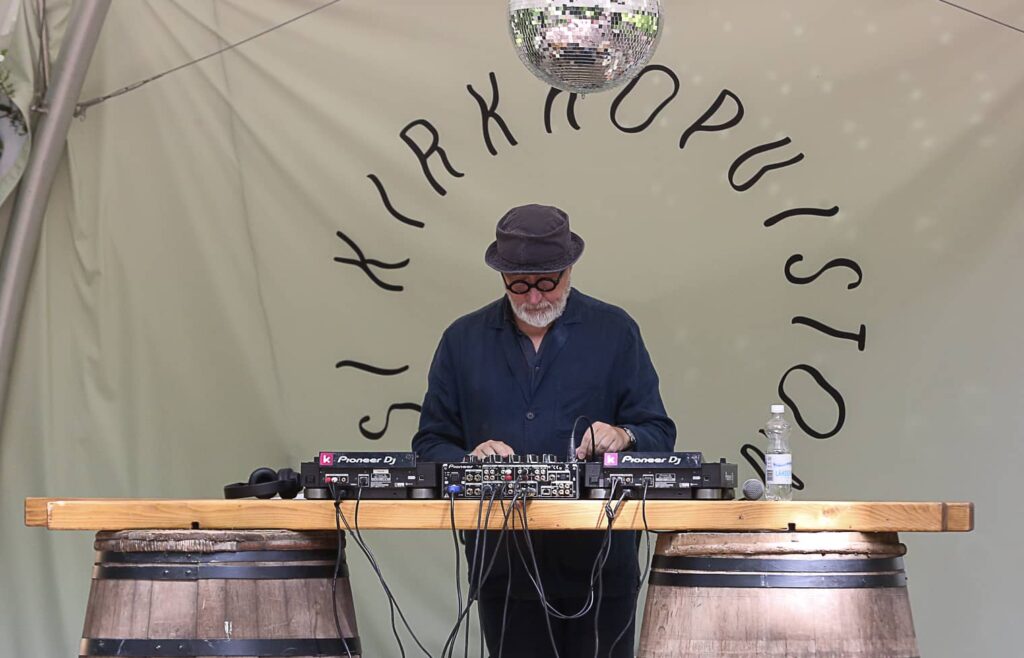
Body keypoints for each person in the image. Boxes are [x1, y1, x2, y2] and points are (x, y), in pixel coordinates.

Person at [412, 204, 676, 657]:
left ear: (569, 269)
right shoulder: (462, 340)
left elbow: (658, 432)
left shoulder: (615, 331)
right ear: (502, 277)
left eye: (547, 283)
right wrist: (469, 460)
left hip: (601, 566)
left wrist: (623, 437)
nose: (534, 298)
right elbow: (429, 443)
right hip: (503, 568)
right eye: (519, 285)